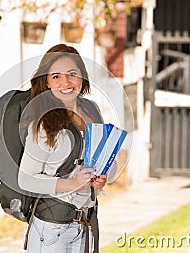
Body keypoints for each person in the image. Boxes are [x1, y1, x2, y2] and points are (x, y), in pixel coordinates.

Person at [18, 44, 116, 253]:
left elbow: (108, 159)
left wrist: (103, 176)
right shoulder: (43, 121)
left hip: (85, 225)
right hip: (51, 230)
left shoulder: (92, 110)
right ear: (46, 81)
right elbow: (25, 179)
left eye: (72, 74)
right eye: (56, 76)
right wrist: (72, 183)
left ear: (82, 76)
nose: (66, 82)